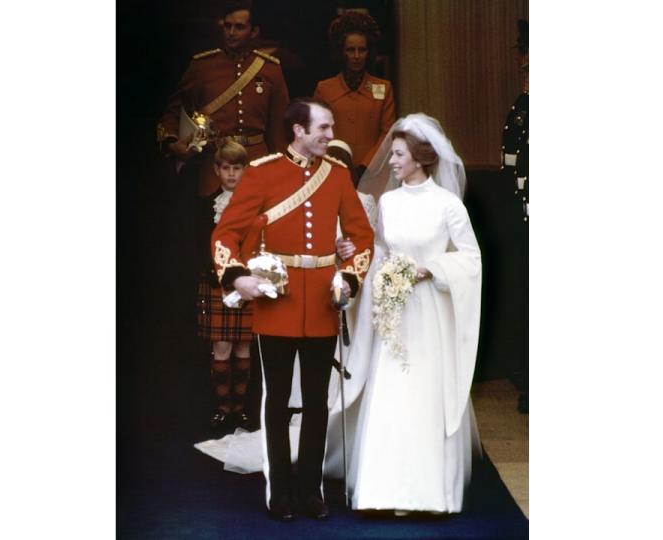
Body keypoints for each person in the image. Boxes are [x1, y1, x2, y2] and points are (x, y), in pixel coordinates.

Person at [210, 98, 374, 521]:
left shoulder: (337, 176)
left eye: (330, 127)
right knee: (278, 401)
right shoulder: (263, 172)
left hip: (322, 302)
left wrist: (349, 279)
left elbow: (362, 237)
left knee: (318, 402)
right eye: (322, 127)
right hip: (276, 305)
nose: (329, 135)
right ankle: (279, 491)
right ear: (298, 130)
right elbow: (225, 233)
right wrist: (238, 278)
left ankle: (310, 490)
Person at [341, 113, 484, 514]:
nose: (392, 161)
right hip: (394, 312)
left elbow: (470, 259)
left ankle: (428, 493)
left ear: (421, 157)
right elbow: (383, 250)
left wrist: (430, 269)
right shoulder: (388, 202)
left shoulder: (448, 205)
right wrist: (376, 269)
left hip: (430, 314)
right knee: (391, 391)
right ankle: (382, 491)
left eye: (399, 154)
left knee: (424, 393)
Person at [158, 0, 290, 196]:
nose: (231, 32)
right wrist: (171, 141)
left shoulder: (271, 69)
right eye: (227, 26)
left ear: (254, 31)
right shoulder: (202, 66)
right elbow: (174, 111)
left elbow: (279, 128)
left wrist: (282, 173)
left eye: (239, 27)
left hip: (257, 166)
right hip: (214, 168)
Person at [196, 140, 255, 431]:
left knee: (244, 348)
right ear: (217, 170)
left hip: (246, 284)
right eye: (226, 168)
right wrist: (216, 276)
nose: (232, 174)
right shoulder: (206, 206)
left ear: (245, 170)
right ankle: (222, 409)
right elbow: (199, 247)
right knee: (222, 348)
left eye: (237, 168)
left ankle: (240, 409)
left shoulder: (256, 207)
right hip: (216, 284)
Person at [313, 11, 396, 180]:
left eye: (362, 50)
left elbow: (387, 134)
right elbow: (317, 132)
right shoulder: (324, 89)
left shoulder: (384, 88)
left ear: (369, 52)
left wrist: (367, 166)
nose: (357, 56)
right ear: (341, 52)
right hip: (333, 170)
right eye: (351, 50)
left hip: (374, 173)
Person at [501, 19, 529, 413]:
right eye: (524, 70)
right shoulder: (521, 108)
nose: (526, 77)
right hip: (524, 212)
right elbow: (510, 158)